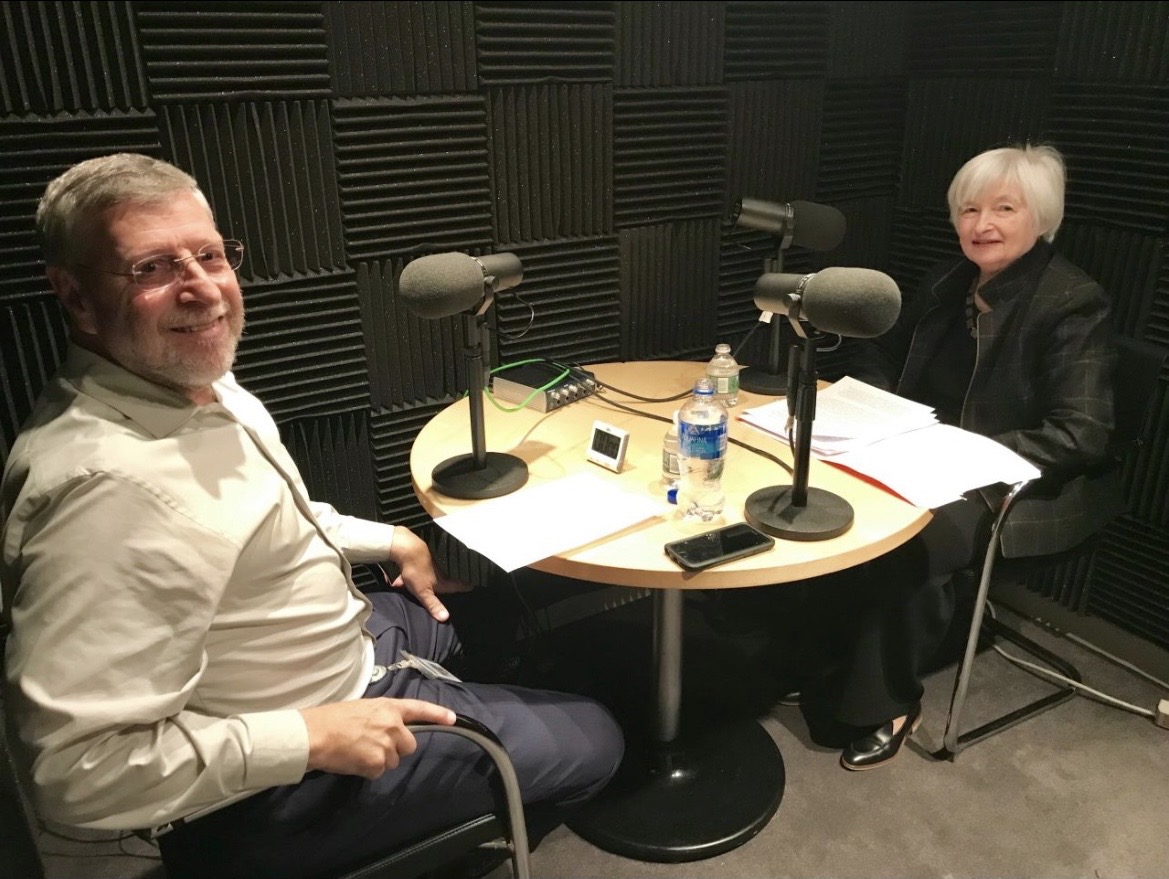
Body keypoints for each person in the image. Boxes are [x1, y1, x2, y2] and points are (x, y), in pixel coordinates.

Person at [0, 153, 624, 878]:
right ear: (74, 296)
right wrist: (303, 737)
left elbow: (263, 517)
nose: (202, 289)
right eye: (152, 268)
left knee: (500, 615)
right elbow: (72, 772)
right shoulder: (106, 493)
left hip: (342, 641)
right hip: (285, 772)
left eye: (209, 254)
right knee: (600, 737)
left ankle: (464, 711)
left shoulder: (194, 383)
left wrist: (385, 536)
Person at [808, 143, 1121, 770]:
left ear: (1042, 218)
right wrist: (871, 407)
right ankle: (829, 663)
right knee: (822, 501)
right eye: (969, 209)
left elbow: (1081, 432)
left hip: (1008, 482)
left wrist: (963, 455)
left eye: (1005, 208)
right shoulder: (947, 281)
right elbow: (880, 352)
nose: (982, 225)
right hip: (918, 456)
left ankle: (885, 703)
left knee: (911, 543)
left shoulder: (1070, 301)